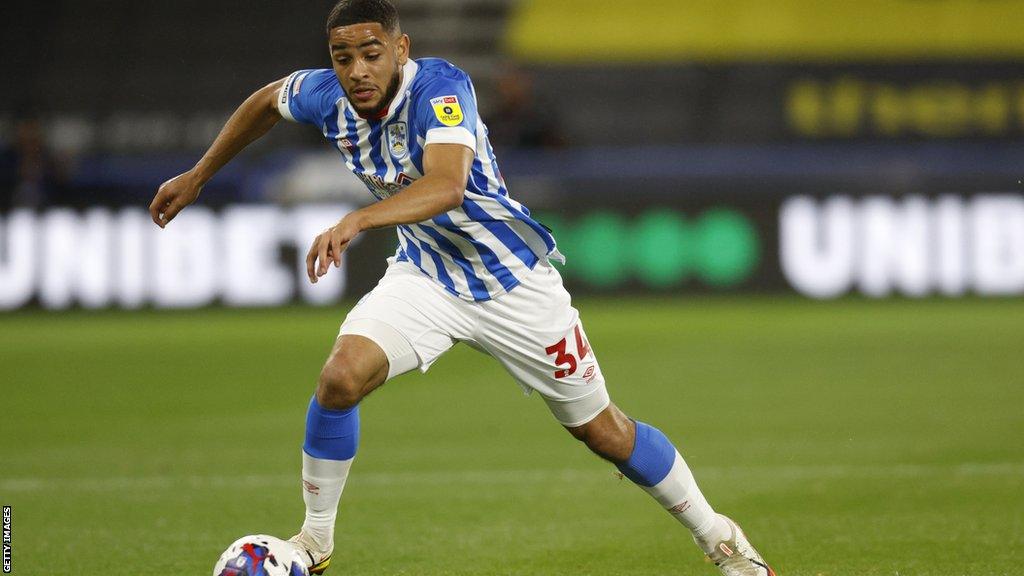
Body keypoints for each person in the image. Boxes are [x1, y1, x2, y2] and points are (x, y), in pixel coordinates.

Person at [148, 2, 775, 575]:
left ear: (400, 48)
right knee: (340, 379)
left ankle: (721, 541)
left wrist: (358, 219)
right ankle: (313, 544)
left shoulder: (442, 88)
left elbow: (447, 185)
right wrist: (200, 174)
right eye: (343, 58)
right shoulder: (326, 96)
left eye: (371, 53)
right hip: (427, 275)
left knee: (604, 431)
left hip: (514, 283)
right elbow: (265, 102)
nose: (358, 70)